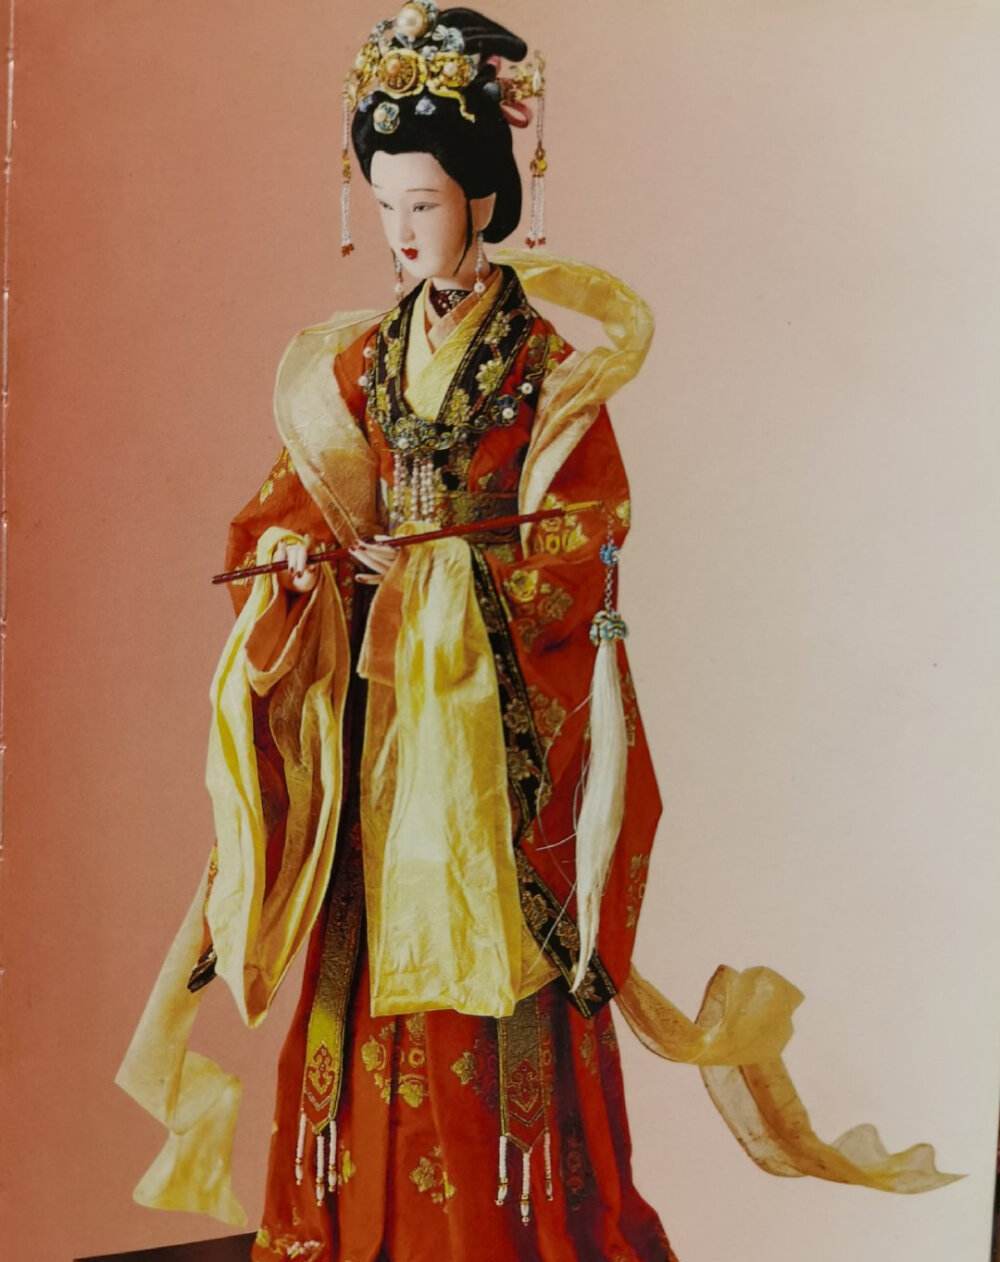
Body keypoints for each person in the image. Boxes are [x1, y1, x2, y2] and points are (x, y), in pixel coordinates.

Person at [116, 6, 957, 1260]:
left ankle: (503, 1229)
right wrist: (298, 562)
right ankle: (352, 1223)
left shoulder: (541, 366)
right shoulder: (361, 363)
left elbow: (582, 539)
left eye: (425, 202)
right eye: (385, 204)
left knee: (494, 958)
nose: (404, 231)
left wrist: (443, 574)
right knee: (359, 949)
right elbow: (292, 499)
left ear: (482, 195)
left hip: (480, 735)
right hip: (380, 717)